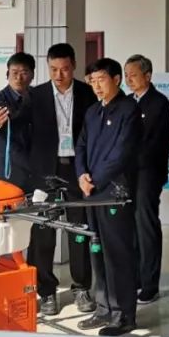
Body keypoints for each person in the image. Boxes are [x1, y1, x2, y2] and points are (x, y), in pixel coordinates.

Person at [75, 58, 143, 336]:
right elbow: (81, 145)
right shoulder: (93, 112)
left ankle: (123, 314)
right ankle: (103, 308)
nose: (96, 86)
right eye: (92, 81)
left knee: (118, 253)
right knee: (97, 251)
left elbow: (122, 153)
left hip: (114, 193)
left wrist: (96, 180)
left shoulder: (129, 110)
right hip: (91, 193)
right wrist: (82, 175)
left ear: (116, 79)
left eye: (101, 79)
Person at [30, 43, 99, 317]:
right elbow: (23, 136)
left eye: (65, 69)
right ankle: (46, 291)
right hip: (46, 171)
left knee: (78, 229)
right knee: (44, 232)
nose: (59, 75)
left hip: (77, 170)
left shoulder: (87, 93)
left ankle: (81, 287)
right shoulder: (35, 96)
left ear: (74, 66)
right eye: (54, 69)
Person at [124, 54, 169, 305]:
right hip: (127, 174)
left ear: (148, 76)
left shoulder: (158, 103)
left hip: (147, 172)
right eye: (126, 75)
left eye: (133, 75)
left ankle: (150, 284)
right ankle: (134, 278)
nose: (128, 80)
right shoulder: (126, 101)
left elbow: (150, 141)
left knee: (146, 225)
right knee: (129, 226)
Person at [0, 52, 35, 186]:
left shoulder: (38, 95)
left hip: (37, 164)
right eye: (14, 73)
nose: (18, 78)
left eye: (24, 73)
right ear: (7, 74)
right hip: (11, 167)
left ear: (32, 75)